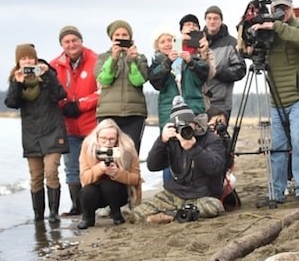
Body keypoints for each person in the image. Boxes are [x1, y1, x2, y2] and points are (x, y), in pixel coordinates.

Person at [248, 0, 299, 205]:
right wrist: (253, 31)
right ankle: (276, 192)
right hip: (277, 98)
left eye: (284, 8)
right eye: (277, 7)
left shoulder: (298, 27)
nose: (281, 11)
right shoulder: (267, 32)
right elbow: (248, 52)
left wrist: (277, 26)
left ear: (291, 8)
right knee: (277, 146)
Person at [131, 97, 226, 223]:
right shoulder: (171, 140)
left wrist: (193, 148)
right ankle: (181, 214)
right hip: (173, 195)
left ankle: (171, 215)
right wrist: (162, 141)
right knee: (136, 214)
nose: (184, 130)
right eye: (180, 126)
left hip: (201, 195)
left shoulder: (211, 139)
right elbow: (152, 166)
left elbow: (215, 168)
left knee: (214, 207)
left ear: (195, 123)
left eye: (188, 124)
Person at [5, 44, 69, 223]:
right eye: (23, 58)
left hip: (53, 130)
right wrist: (17, 83)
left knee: (51, 172)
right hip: (31, 134)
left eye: (30, 58)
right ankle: (38, 216)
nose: (27, 61)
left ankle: (54, 214)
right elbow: (11, 103)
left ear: (35, 58)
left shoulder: (48, 74)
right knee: (35, 176)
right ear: (18, 61)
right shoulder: (16, 79)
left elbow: (60, 94)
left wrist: (46, 75)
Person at [50, 26, 100, 217]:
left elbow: (102, 92)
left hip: (92, 125)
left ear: (81, 41)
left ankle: (94, 205)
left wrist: (80, 105)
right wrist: (64, 105)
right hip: (68, 127)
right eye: (66, 41)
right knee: (71, 168)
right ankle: (77, 206)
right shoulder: (54, 65)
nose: (71, 44)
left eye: (74, 40)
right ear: (62, 45)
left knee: (94, 166)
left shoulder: (95, 60)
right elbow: (53, 93)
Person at [95, 20, 149, 154]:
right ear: (112, 38)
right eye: (117, 35)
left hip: (134, 113)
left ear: (130, 37)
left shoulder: (140, 58)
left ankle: (129, 176)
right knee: (107, 154)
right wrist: (113, 59)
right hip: (108, 112)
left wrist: (131, 61)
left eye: (124, 35)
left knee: (130, 153)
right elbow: (104, 79)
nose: (121, 37)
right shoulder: (103, 57)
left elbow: (138, 81)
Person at [76, 118, 142, 229]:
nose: (107, 143)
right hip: (95, 192)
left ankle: (116, 215)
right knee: (87, 191)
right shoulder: (88, 145)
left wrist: (118, 174)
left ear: (117, 139)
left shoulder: (127, 146)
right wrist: (99, 168)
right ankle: (88, 217)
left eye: (112, 139)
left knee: (109, 184)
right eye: (103, 139)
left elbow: (136, 178)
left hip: (118, 191)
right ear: (97, 137)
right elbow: (84, 178)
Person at [148, 15, 211, 130]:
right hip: (169, 111)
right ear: (158, 47)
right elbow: (155, 82)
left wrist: (191, 62)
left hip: (193, 109)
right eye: (162, 42)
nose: (167, 44)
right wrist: (167, 63)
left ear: (176, 42)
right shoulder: (157, 63)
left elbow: (203, 75)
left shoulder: (188, 57)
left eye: (170, 40)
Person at [202, 5, 246, 121]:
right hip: (199, 102)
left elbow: (240, 69)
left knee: (217, 138)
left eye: (216, 18)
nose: (212, 21)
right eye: (209, 18)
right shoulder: (199, 43)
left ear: (221, 21)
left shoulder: (231, 43)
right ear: (205, 20)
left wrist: (218, 72)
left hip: (221, 103)